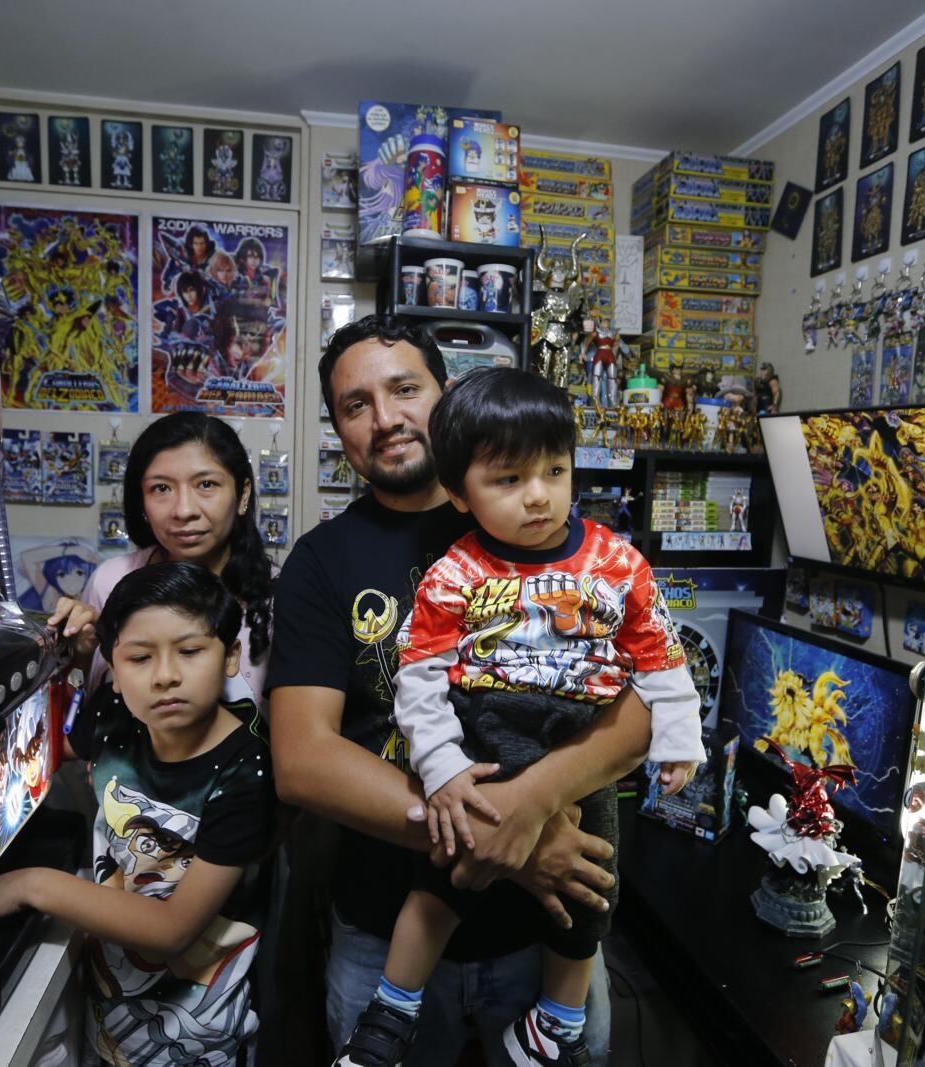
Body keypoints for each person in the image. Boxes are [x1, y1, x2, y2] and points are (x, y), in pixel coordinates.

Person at [269, 315, 652, 1066]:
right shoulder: (320, 563)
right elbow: (303, 760)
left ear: (446, 395)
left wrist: (533, 808)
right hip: (387, 934)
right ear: (339, 428)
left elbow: (638, 711)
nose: (385, 418)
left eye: (405, 388)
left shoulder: (546, 531)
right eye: (355, 404)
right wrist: (504, 838)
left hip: (542, 933)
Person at [332, 368, 704, 1067]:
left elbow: (659, 656)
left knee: (593, 891)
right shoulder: (456, 572)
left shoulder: (617, 563)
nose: (538, 495)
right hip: (483, 736)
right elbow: (418, 679)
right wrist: (442, 769)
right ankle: (392, 1010)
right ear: (458, 493)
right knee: (441, 882)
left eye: (554, 471)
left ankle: (557, 1022)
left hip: (578, 739)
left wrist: (678, 737)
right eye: (508, 480)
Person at [0, 562, 276, 1064]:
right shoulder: (116, 718)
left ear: (231, 656)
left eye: (191, 651)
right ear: (114, 669)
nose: (167, 675)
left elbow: (172, 929)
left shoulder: (248, 773)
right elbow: (45, 747)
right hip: (108, 998)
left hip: (201, 1031)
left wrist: (29, 885)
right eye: (139, 658)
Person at [50, 412, 273, 706]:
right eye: (162, 488)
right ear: (141, 500)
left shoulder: (283, 594)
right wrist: (80, 652)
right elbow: (82, 723)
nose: (183, 510)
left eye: (206, 484)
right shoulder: (112, 581)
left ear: (243, 494)